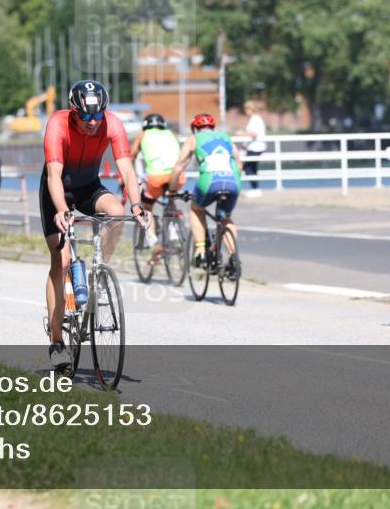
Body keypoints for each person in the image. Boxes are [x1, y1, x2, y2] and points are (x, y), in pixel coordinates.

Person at [41, 80, 150, 370]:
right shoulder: (57, 124)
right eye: (86, 116)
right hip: (57, 191)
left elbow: (126, 168)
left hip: (89, 186)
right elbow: (53, 175)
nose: (92, 122)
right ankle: (56, 342)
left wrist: (137, 205)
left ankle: (97, 272)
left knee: (116, 211)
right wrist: (62, 211)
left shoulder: (111, 124)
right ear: (74, 111)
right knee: (61, 262)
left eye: (97, 115)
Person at [167, 113, 242, 267]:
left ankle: (200, 250)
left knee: (196, 208)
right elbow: (239, 164)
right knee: (225, 218)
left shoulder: (193, 139)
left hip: (209, 181)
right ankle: (234, 258)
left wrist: (172, 190)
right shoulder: (226, 137)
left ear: (195, 129)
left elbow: (179, 167)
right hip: (232, 181)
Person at [129, 113, 183, 264]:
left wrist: (128, 177)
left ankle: (154, 243)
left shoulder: (143, 134)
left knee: (147, 207)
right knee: (171, 197)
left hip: (157, 177)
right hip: (177, 176)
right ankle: (174, 229)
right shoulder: (171, 133)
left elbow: (131, 156)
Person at [239, 101, 267, 198]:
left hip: (255, 147)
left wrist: (243, 133)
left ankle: (255, 188)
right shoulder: (255, 118)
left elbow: (254, 134)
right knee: (252, 167)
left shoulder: (255, 119)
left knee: (248, 167)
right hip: (254, 146)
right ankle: (255, 188)